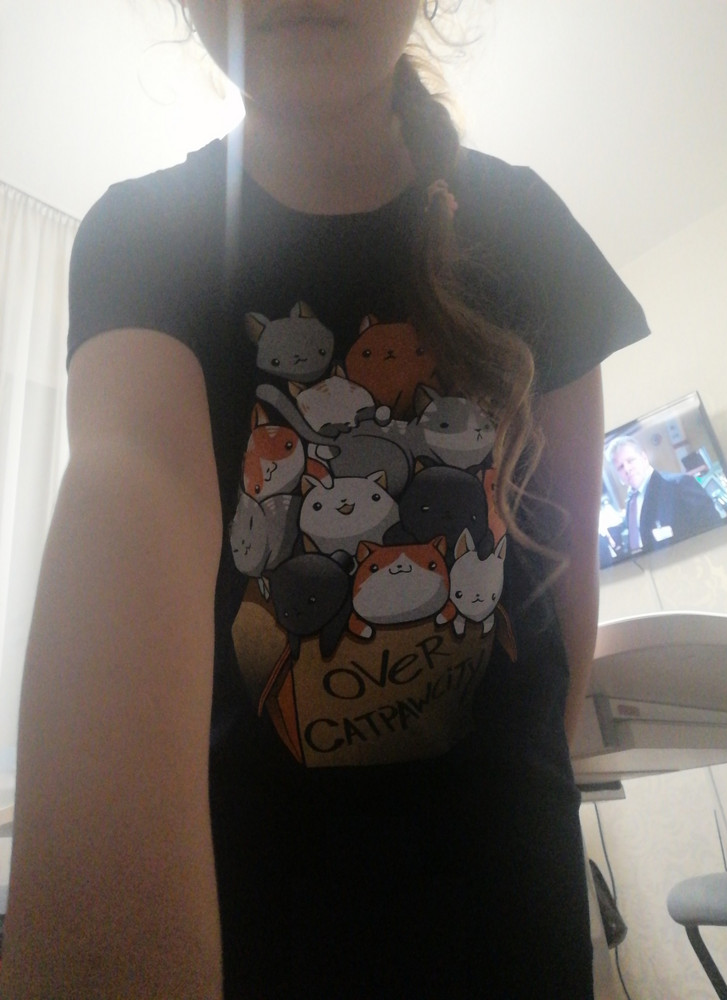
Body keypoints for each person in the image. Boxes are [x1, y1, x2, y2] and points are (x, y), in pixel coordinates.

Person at [0, 2, 650, 997]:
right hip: (255, 913)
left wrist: (524, 802)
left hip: (507, 905)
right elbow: (130, 484)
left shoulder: (525, 224)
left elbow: (565, 572)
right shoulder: (145, 238)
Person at [608, 435, 721, 554]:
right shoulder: (631, 501)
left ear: (644, 458)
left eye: (630, 460)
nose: (627, 469)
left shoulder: (679, 485)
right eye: (620, 467)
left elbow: (714, 529)